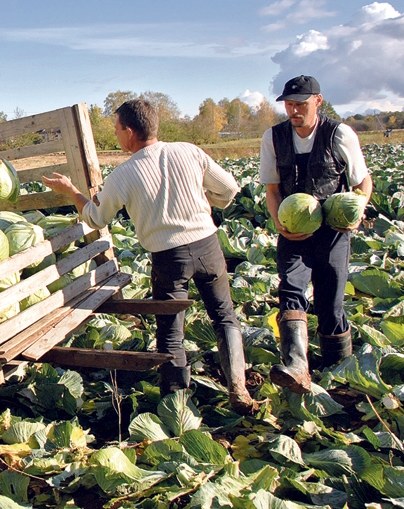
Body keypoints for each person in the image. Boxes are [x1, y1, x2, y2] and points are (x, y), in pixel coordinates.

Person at [42, 99, 255, 414]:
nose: (116, 136)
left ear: (129, 132)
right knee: (224, 316)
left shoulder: (124, 174)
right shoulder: (188, 151)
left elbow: (96, 218)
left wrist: (71, 191)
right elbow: (229, 188)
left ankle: (176, 403)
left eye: (116, 130)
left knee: (170, 332)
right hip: (208, 244)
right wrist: (206, 201)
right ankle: (237, 387)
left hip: (170, 258)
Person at [260, 76, 372, 394]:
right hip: (294, 232)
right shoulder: (274, 137)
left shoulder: (339, 134)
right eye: (289, 104)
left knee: (330, 302)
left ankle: (339, 372)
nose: (293, 110)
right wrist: (279, 221)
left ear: (317, 101)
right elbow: (272, 189)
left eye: (300, 104)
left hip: (333, 232)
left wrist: (357, 210)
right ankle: (296, 365)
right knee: (291, 292)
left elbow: (363, 182)